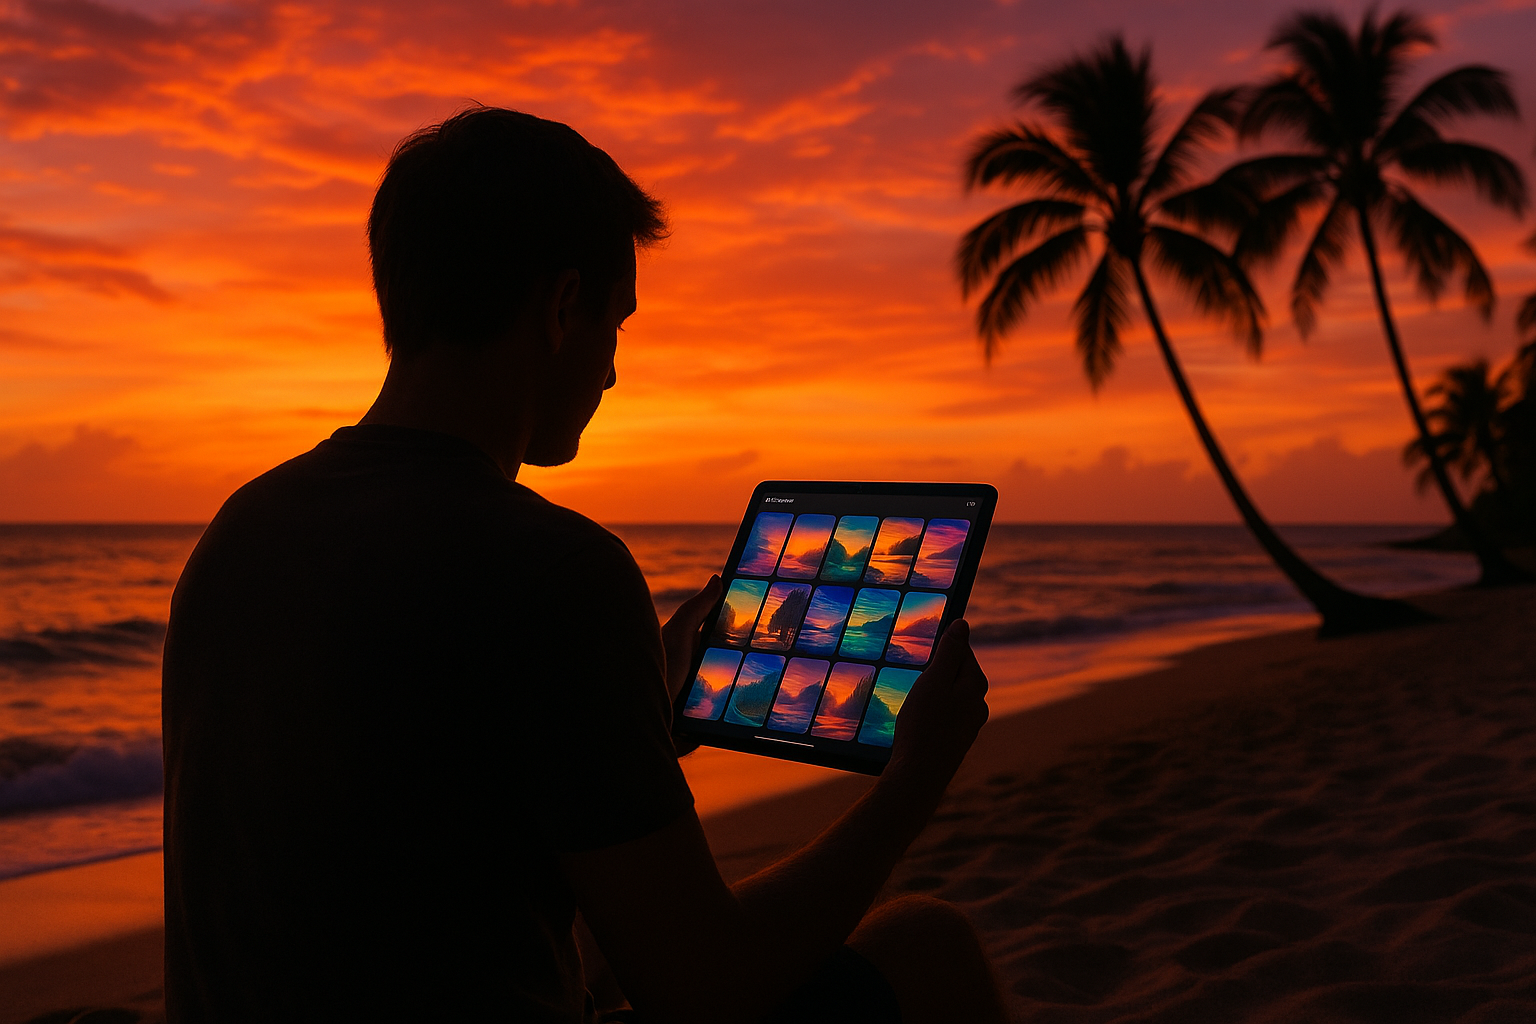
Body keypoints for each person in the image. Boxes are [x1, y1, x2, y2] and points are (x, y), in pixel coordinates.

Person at [162, 106, 1007, 1024]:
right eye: (618, 324)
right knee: (927, 943)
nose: (610, 371)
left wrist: (636, 722)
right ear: (564, 307)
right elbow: (707, 984)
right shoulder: (558, 572)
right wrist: (914, 779)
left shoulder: (239, 532)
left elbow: (408, 840)